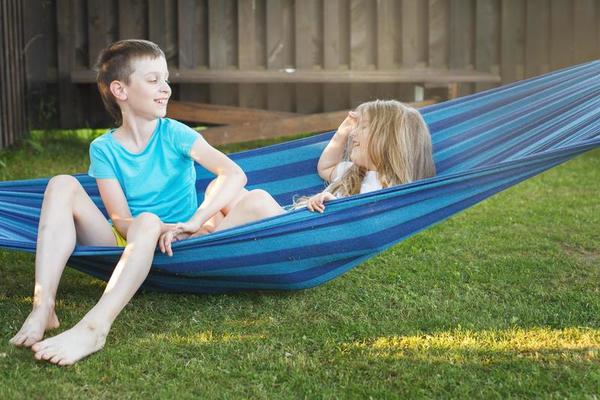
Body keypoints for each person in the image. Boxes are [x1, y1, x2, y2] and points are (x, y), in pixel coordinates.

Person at [8, 39, 277, 365]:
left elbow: (233, 174)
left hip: (188, 242)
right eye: (153, 80)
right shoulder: (104, 149)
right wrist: (157, 226)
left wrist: (193, 222)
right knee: (63, 184)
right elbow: (120, 219)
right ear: (120, 90)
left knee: (258, 200)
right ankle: (43, 306)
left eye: (166, 79)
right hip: (126, 244)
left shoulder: (176, 133)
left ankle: (95, 327)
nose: (165, 89)